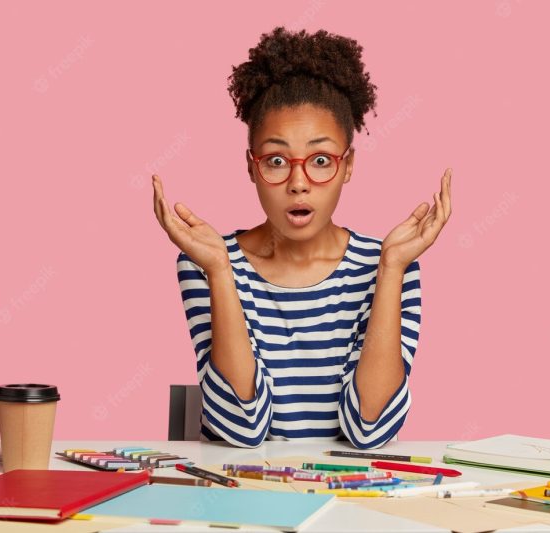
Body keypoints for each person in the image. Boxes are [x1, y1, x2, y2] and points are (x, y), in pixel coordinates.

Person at [152, 26, 452, 449]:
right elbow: (244, 429)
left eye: (321, 160)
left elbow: (370, 430)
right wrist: (220, 270)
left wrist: (390, 270)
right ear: (251, 167)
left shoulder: (390, 265)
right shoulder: (206, 261)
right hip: (240, 501)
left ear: (348, 166)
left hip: (349, 501)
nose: (298, 183)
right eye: (276, 159)